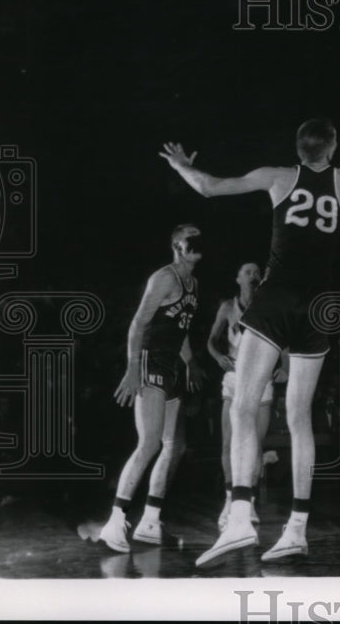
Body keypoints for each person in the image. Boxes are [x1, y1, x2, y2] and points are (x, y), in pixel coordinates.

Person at [160, 103, 340, 566]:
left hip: (276, 301)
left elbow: (209, 188)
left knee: (246, 407)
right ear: (333, 146)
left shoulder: (277, 177)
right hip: (317, 308)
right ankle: (296, 528)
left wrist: (181, 165)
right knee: (299, 419)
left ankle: (239, 517)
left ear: (297, 147)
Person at [97, 223, 205, 552]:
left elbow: (181, 327)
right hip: (150, 361)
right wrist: (132, 370)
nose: (199, 241)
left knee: (175, 445)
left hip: (171, 363)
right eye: (192, 236)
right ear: (177, 244)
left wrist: (191, 362)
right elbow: (138, 322)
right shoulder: (165, 277)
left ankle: (150, 520)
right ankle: (114, 522)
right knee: (150, 443)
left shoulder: (193, 283)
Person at [207, 261, 282, 530]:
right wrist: (218, 357)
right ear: (238, 278)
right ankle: (229, 500)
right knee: (229, 442)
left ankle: (247, 501)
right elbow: (210, 341)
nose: (253, 274)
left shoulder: (267, 305)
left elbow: (282, 340)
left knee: (254, 443)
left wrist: (280, 365)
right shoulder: (228, 307)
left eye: (256, 271)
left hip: (261, 380)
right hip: (234, 379)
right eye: (247, 271)